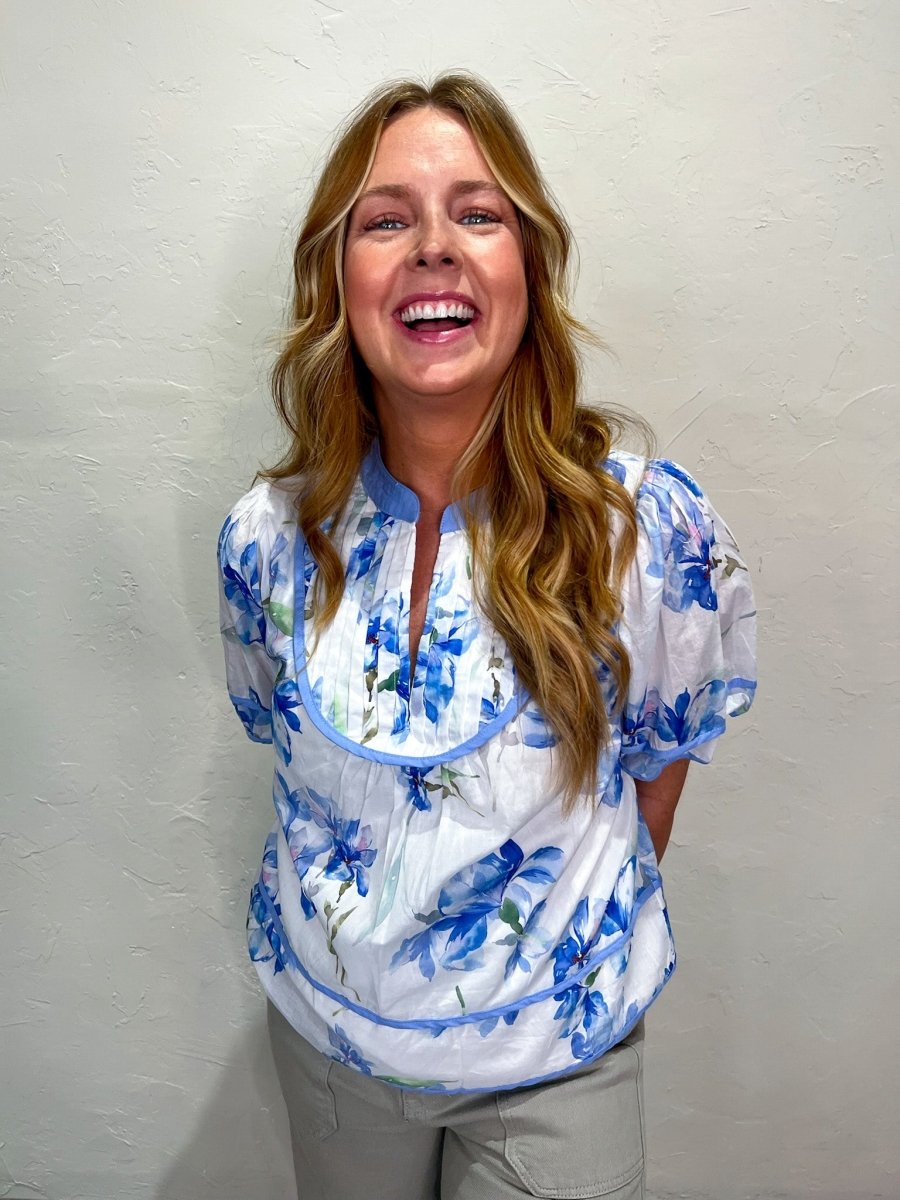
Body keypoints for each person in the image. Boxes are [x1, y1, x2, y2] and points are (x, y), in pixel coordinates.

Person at [217, 72, 757, 1200]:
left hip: (554, 1068)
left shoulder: (638, 532)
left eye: (477, 213)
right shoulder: (268, 539)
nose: (434, 247)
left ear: (529, 268)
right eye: (386, 221)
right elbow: (286, 745)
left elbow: (654, 771)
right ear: (337, 278)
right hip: (329, 1051)